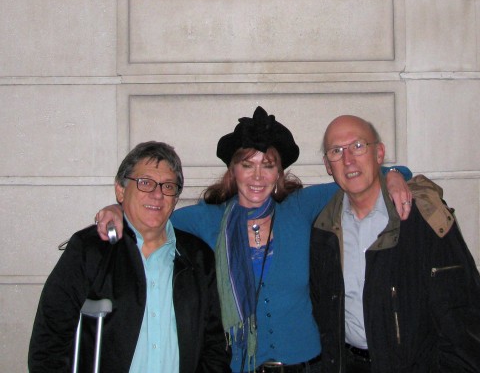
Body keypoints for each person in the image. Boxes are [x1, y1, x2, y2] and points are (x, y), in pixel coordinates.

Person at [95, 107, 413, 373]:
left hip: (307, 365)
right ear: (233, 171)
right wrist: (119, 208)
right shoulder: (207, 219)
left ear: (279, 173)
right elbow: (152, 217)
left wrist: (395, 173)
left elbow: (358, 176)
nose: (258, 176)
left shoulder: (300, 208)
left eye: (268, 165)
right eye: (248, 165)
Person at [28, 141, 231, 373]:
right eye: (145, 183)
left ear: (175, 198)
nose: (157, 195)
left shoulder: (198, 258)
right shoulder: (90, 251)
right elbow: (49, 345)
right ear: (120, 190)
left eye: (168, 186)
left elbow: (215, 346)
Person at [310, 114, 480, 373]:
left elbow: (461, 315)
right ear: (328, 165)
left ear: (379, 153)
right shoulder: (323, 230)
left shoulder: (424, 221)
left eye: (358, 146)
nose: (348, 159)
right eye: (336, 151)